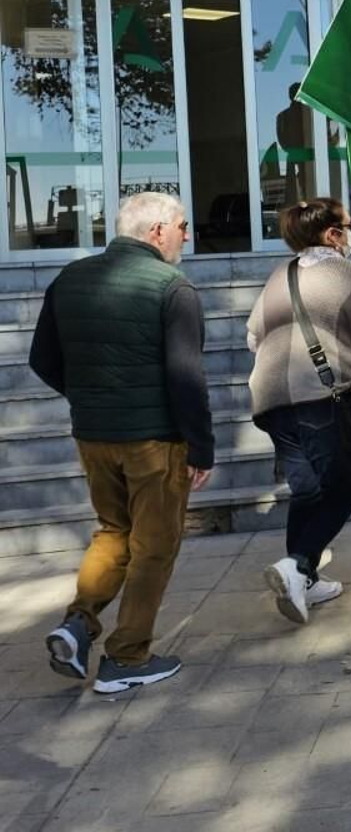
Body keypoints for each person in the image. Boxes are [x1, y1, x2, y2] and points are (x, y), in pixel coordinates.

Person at [34, 192, 213, 694]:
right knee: (154, 546)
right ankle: (127, 658)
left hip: (93, 435)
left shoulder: (69, 278)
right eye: (182, 226)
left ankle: (78, 624)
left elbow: (41, 358)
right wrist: (202, 448)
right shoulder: (173, 287)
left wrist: (89, 397)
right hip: (155, 441)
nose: (186, 236)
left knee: (114, 531)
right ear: (157, 231)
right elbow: (187, 377)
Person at [248, 198, 351, 623]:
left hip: (270, 400)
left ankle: (303, 581)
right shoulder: (347, 273)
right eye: (348, 226)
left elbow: (252, 337)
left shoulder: (279, 275)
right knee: (346, 488)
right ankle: (299, 565)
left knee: (307, 491)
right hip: (318, 394)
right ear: (332, 234)